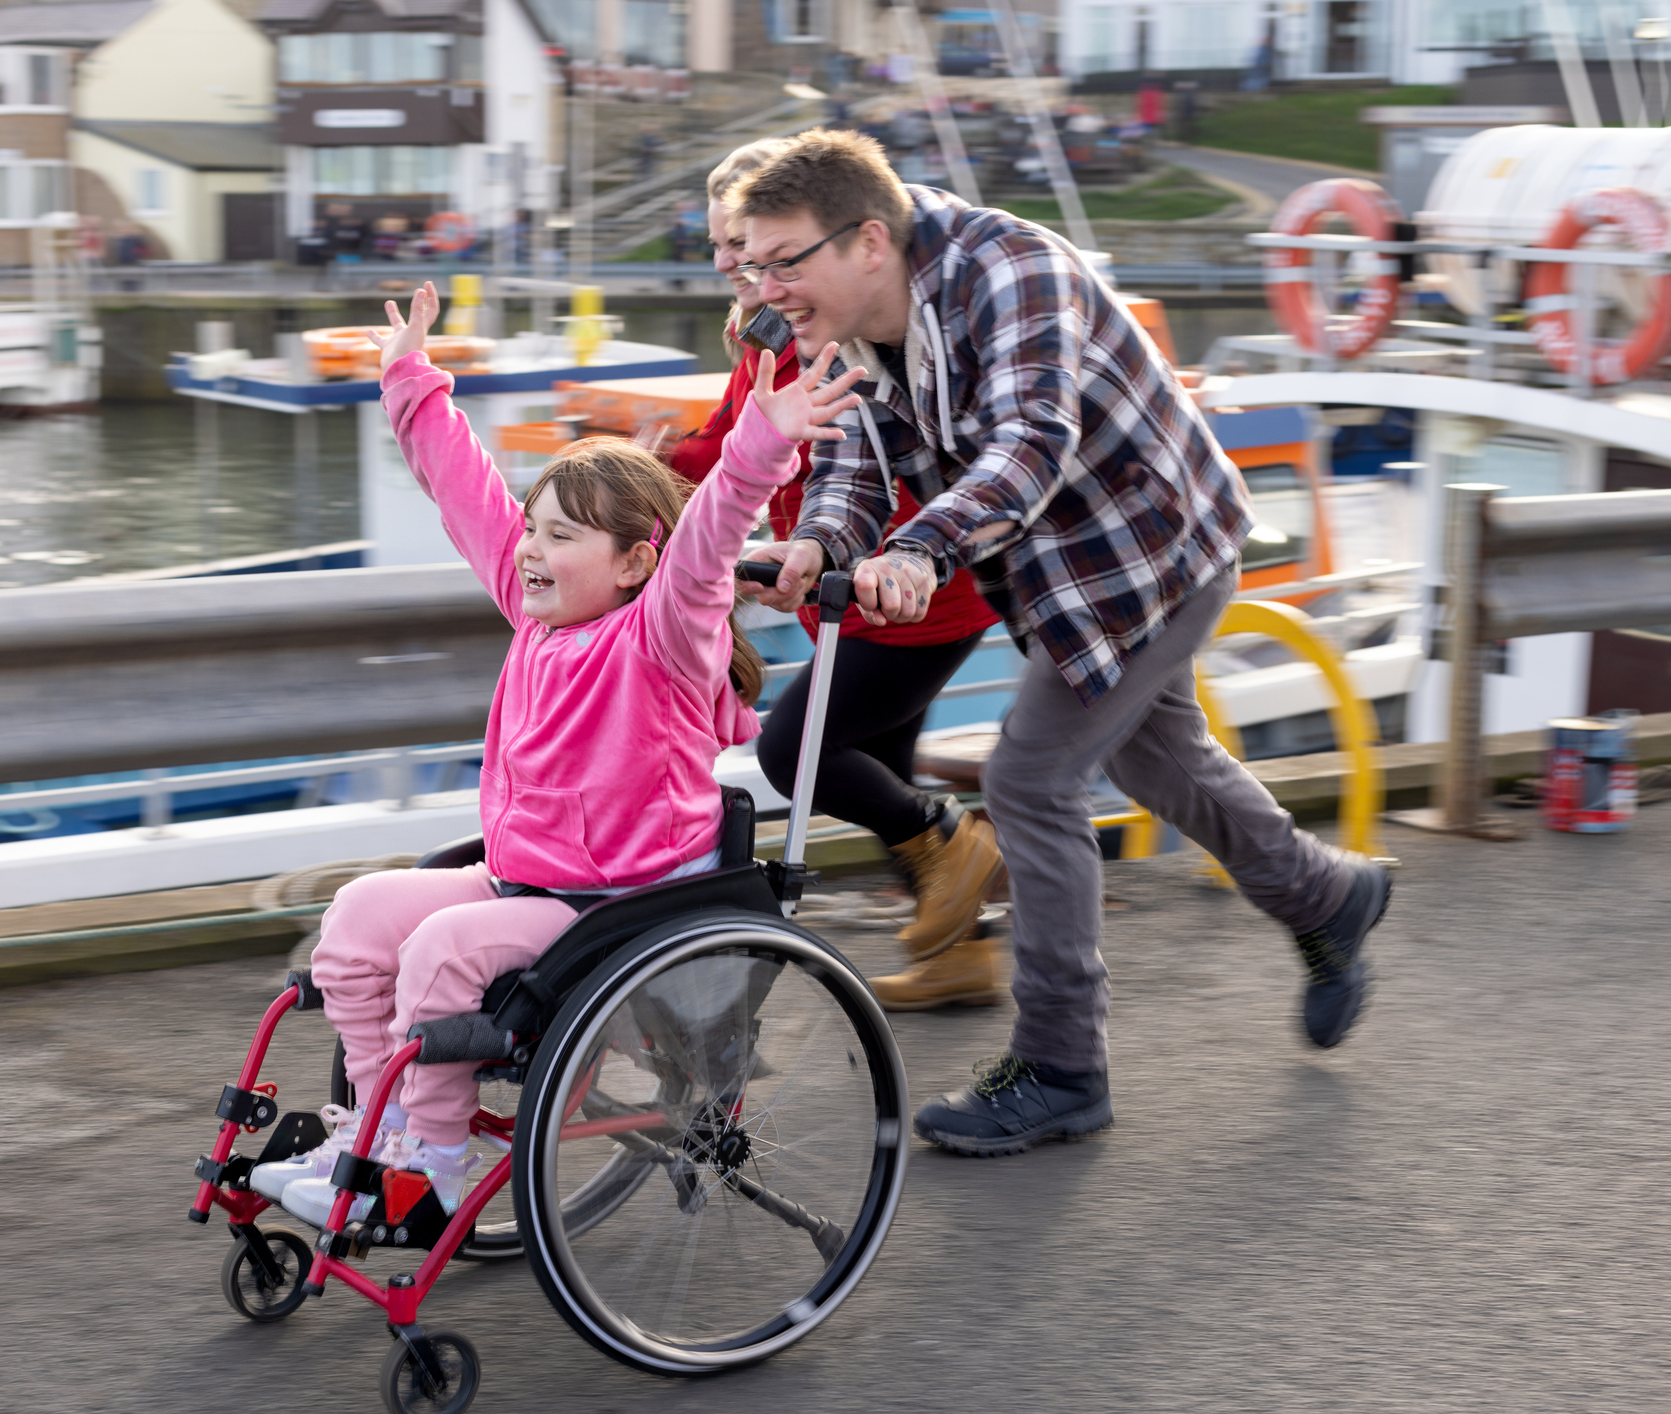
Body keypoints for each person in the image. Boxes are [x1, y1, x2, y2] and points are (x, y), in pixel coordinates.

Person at [731, 131, 1391, 1157]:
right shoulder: (844, 323)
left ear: (865, 239)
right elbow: (852, 470)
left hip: (1153, 547)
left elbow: (1026, 442)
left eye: (782, 261)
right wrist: (820, 544)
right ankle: (1325, 894)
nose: (763, 286)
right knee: (1158, 760)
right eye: (751, 262)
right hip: (1058, 575)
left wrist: (920, 548)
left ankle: (1061, 1064)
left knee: (1031, 776)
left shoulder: (1012, 270)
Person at [247, 283, 866, 1218]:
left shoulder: (663, 633)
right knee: (360, 916)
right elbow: (464, 491)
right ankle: (370, 1134)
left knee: (440, 952)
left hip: (617, 906)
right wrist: (410, 379)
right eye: (532, 530)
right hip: (529, 883)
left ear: (633, 562)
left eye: (561, 536)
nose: (530, 549)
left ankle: (432, 1165)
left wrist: (760, 445)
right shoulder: (539, 610)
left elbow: (705, 546)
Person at [671, 139, 1009, 1011]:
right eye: (721, 247)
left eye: (744, 247)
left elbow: (777, 446)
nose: (730, 263)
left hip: (898, 588)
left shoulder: (816, 331)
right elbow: (727, 433)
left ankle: (957, 849)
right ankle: (960, 955)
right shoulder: (763, 329)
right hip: (855, 585)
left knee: (798, 752)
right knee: (883, 766)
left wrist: (671, 485)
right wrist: (646, 475)